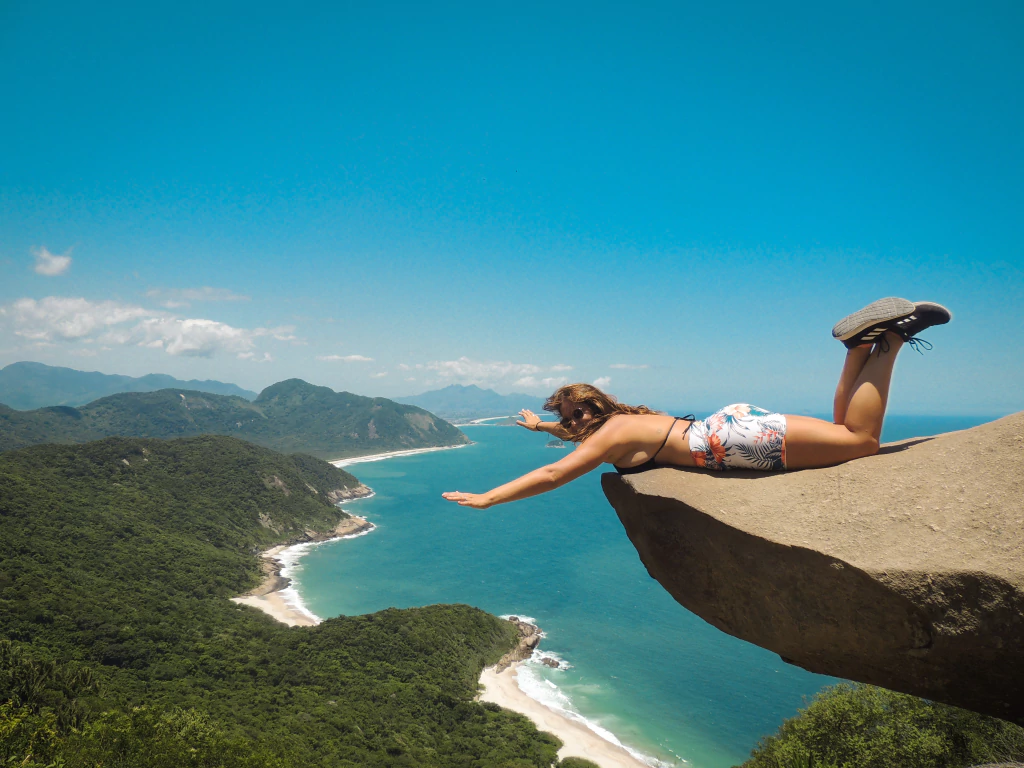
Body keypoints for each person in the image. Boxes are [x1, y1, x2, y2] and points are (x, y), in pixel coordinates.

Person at [442, 297, 950, 509]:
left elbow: (555, 474)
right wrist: (542, 428)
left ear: (595, 410)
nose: (574, 422)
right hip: (729, 425)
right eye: (569, 418)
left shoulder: (610, 435)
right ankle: (857, 347)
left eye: (577, 413)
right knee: (841, 428)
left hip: (732, 443)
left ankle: (891, 339)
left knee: (860, 440)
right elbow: (578, 436)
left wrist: (489, 498)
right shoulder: (622, 421)